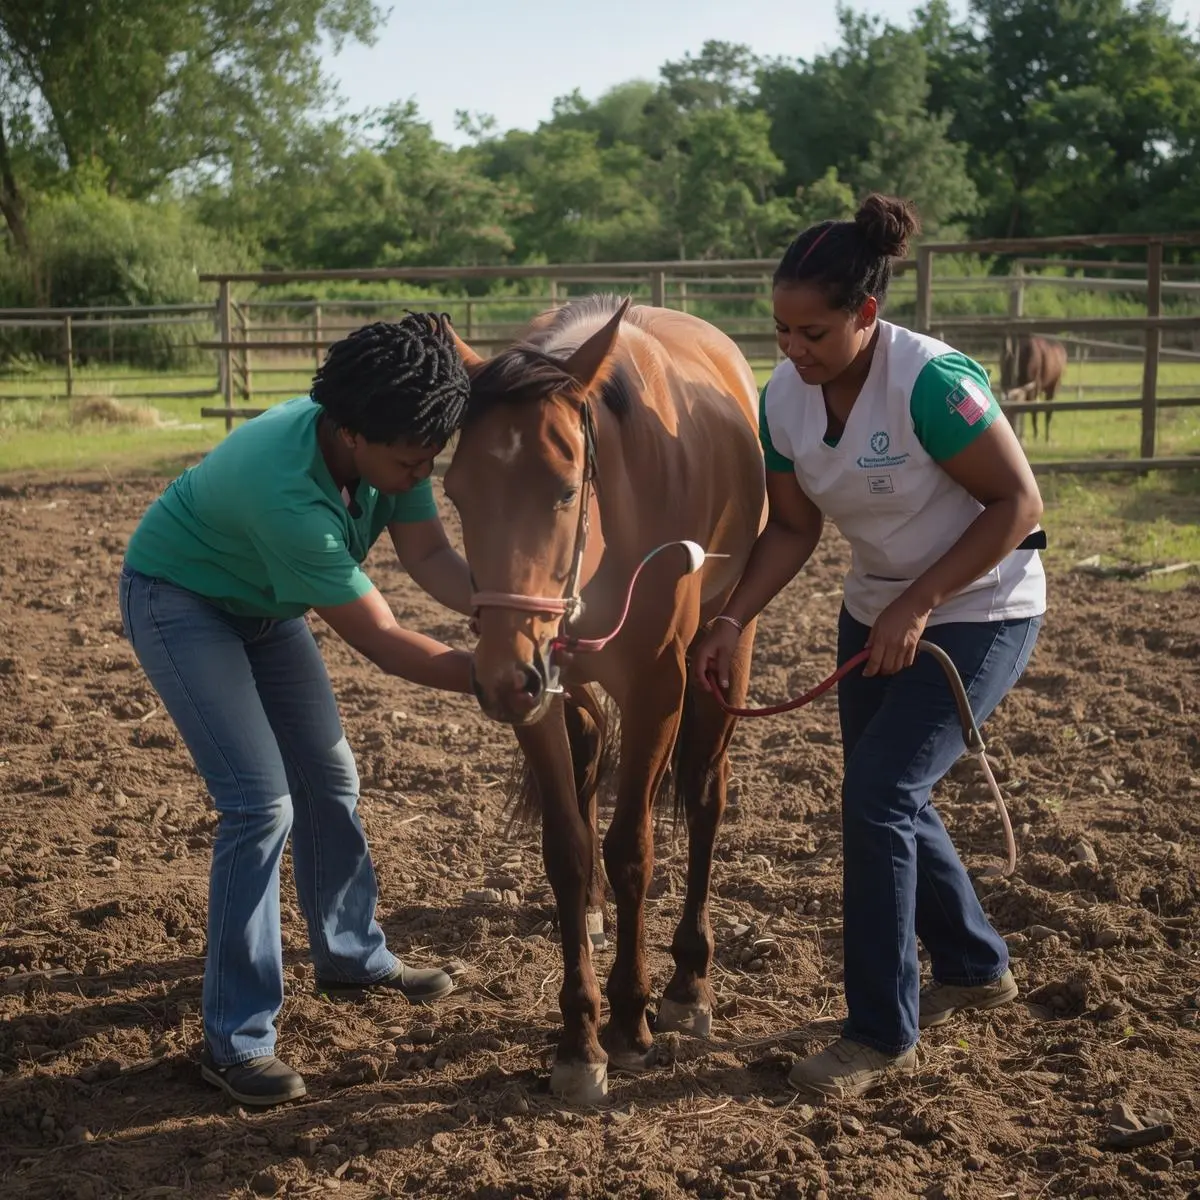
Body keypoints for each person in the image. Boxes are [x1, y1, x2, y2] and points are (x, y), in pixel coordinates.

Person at [693, 195, 1047, 1101]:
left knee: (879, 795)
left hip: (982, 606)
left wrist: (921, 602)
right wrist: (730, 617)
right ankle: (975, 967)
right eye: (780, 330)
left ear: (866, 314)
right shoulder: (784, 398)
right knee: (888, 794)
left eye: (812, 332)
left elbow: (1017, 504)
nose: (792, 349)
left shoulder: (931, 381)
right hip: (876, 608)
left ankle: (882, 1035)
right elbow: (792, 527)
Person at [119, 314, 478, 1106]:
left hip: (264, 604)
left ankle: (350, 955)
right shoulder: (284, 492)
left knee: (329, 775)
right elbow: (384, 641)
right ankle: (236, 1040)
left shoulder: (397, 430)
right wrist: (491, 679)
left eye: (430, 458)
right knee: (260, 803)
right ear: (350, 435)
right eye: (409, 462)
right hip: (180, 600)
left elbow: (429, 554)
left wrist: (510, 609)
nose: (420, 472)